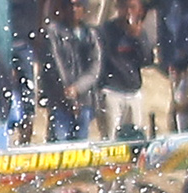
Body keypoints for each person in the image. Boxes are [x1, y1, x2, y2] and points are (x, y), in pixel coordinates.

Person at [38, 0, 100, 141]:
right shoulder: (53, 31)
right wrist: (69, 93)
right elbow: (56, 64)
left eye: (78, 5)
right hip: (60, 100)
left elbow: (94, 68)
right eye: (69, 5)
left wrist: (78, 88)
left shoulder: (90, 34)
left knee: (80, 149)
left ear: (84, 9)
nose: (73, 9)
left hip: (84, 100)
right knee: (58, 148)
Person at [98, 0, 150, 139]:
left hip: (133, 91)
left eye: (132, 8)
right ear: (118, 8)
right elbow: (99, 61)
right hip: (112, 91)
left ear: (139, 10)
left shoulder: (139, 31)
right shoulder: (105, 31)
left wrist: (137, 38)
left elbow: (147, 60)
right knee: (111, 138)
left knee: (135, 137)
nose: (128, 12)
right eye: (125, 7)